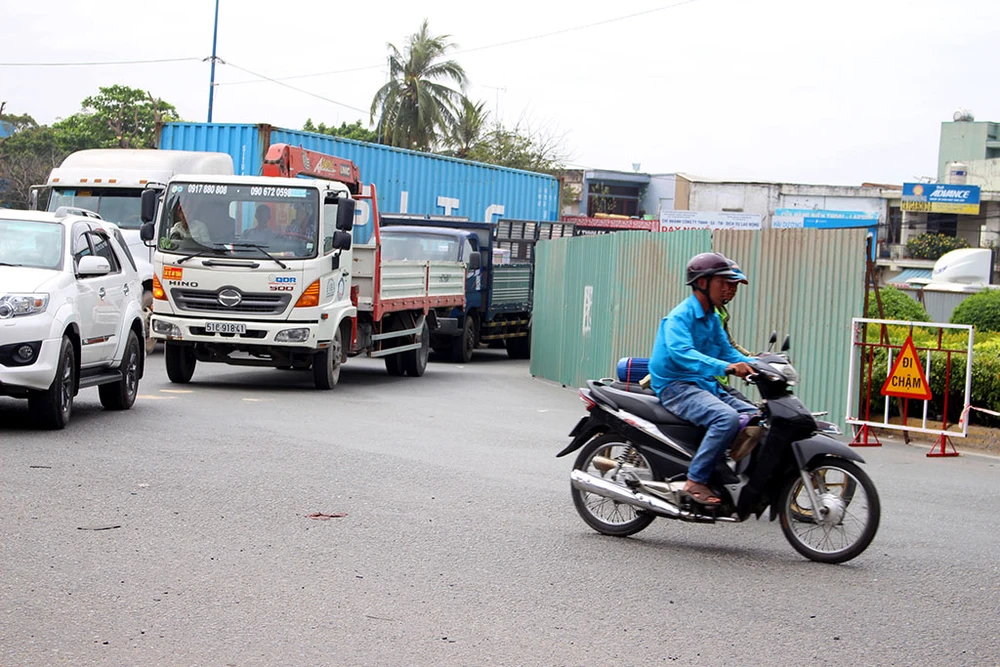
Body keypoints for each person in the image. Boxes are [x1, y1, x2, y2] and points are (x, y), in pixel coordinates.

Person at [648, 252, 759, 506]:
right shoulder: (680, 316)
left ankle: (726, 471)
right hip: (677, 385)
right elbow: (683, 354)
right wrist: (729, 367)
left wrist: (761, 364)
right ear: (702, 283)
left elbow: (726, 350)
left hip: (704, 383)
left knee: (758, 418)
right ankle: (695, 479)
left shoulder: (712, 316)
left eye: (733, 285)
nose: (731, 290)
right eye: (725, 283)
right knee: (725, 418)